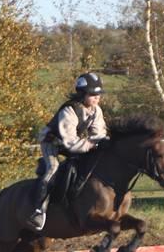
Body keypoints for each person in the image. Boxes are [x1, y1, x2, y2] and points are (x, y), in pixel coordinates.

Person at [29, 72, 109, 230]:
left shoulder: (96, 110)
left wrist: (104, 143)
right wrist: (90, 145)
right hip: (52, 142)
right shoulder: (69, 111)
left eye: (98, 94)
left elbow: (99, 133)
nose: (97, 98)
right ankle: (38, 210)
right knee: (53, 168)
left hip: (73, 142)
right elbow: (70, 142)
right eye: (93, 94)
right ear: (82, 94)